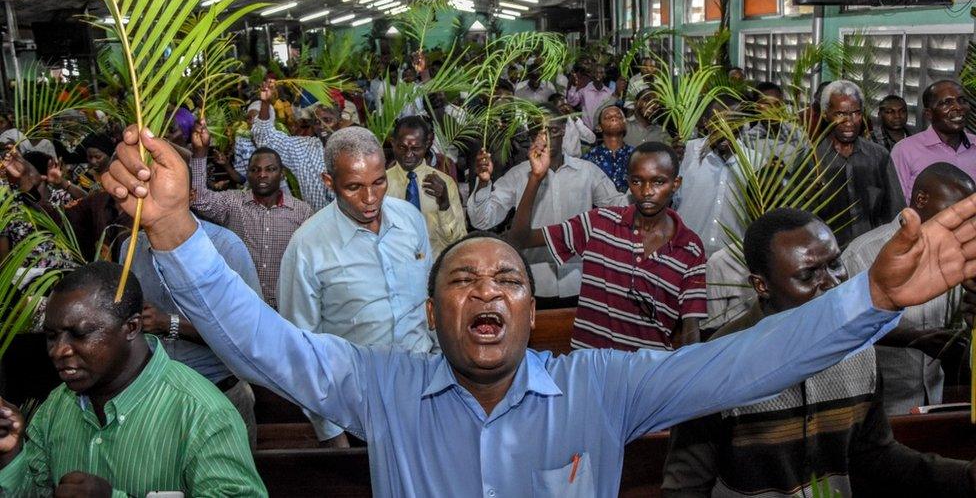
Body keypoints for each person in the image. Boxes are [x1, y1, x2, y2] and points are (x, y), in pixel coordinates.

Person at [102, 121, 976, 497]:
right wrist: (177, 226)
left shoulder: (604, 387)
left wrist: (870, 297)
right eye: (462, 280)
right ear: (435, 312)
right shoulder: (378, 389)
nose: (488, 289)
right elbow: (266, 343)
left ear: (530, 308)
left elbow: (744, 362)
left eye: (508, 280)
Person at [661, 208, 976, 497]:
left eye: (835, 264)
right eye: (808, 274)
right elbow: (685, 489)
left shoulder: (859, 348)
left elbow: (874, 455)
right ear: (761, 285)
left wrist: (965, 477)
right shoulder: (713, 366)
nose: (832, 283)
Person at [0, 262, 266, 496]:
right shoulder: (56, 408)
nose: (59, 350)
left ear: (131, 327)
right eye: (51, 336)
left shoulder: (203, 414)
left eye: (79, 334)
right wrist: (10, 454)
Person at [277, 126, 437, 445]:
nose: (370, 198)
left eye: (379, 182)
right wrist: (333, 435)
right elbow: (301, 351)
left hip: (426, 395)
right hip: (359, 411)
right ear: (329, 182)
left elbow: (430, 308)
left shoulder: (410, 220)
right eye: (354, 187)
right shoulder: (307, 247)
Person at [509, 140, 705, 350]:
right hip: (591, 368)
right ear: (628, 182)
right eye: (638, 181)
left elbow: (691, 325)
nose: (647, 191)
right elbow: (521, 238)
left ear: (676, 184)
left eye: (658, 182)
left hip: (647, 372)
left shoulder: (690, 247)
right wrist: (536, 178)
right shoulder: (598, 223)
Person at [843, 162, 976, 415]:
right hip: (881, 407)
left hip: (934, 402)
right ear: (921, 199)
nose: (963, 223)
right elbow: (844, 329)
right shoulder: (862, 254)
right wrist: (915, 338)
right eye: (956, 210)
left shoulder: (958, 254)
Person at [122, 214, 263, 448]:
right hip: (154, 397)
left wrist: (170, 323)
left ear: (189, 194)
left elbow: (249, 335)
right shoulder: (131, 246)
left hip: (219, 393)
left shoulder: (226, 246)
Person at [467, 105, 628, 308]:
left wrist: (644, 182)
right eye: (538, 132)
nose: (545, 139)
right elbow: (482, 220)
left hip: (581, 281)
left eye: (552, 131)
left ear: (563, 131)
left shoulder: (587, 172)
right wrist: (483, 182)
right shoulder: (519, 175)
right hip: (536, 283)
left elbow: (620, 209)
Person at [190, 120, 312, 308]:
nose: (262, 174)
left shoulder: (302, 212)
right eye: (255, 170)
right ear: (248, 174)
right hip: (240, 305)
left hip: (285, 309)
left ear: (282, 175)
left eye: (270, 169)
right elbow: (198, 198)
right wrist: (200, 152)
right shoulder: (233, 203)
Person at [815, 80, 905, 247]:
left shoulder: (878, 156)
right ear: (826, 114)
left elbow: (895, 210)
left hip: (874, 252)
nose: (849, 121)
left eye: (856, 113)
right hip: (829, 255)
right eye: (840, 114)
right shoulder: (812, 159)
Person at [676, 97, 764, 257]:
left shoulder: (755, 162)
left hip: (732, 257)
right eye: (718, 122)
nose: (726, 129)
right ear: (706, 122)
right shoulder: (689, 152)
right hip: (686, 250)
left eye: (733, 122)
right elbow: (672, 198)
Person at [386, 116, 465, 256]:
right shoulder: (381, 183)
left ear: (427, 144)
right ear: (393, 143)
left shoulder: (445, 183)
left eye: (415, 148)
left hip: (432, 268)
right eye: (402, 147)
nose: (408, 155)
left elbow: (458, 242)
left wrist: (444, 205)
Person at [251, 79, 335, 211]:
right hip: (319, 227)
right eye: (317, 122)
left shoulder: (354, 148)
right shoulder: (304, 149)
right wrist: (265, 103)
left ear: (339, 120)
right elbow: (265, 138)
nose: (321, 126)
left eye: (327, 120)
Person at [892, 80, 976, 202]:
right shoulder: (905, 150)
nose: (958, 107)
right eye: (946, 103)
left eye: (962, 101)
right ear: (929, 114)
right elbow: (895, 206)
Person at [584, 103, 636, 192]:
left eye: (619, 116)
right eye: (608, 117)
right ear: (599, 127)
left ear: (625, 123)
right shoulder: (589, 158)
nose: (614, 118)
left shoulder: (636, 156)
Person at [566, 63, 616, 128]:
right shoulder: (584, 91)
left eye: (601, 72)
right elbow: (571, 102)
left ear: (604, 75)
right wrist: (573, 86)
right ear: (592, 75)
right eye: (595, 72)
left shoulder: (609, 93)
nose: (598, 75)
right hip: (586, 131)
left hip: (603, 131)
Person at [550, 92, 596, 158]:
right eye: (561, 106)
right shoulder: (550, 126)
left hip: (577, 161)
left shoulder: (574, 121)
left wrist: (575, 118)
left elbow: (592, 139)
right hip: (559, 162)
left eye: (566, 105)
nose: (565, 108)